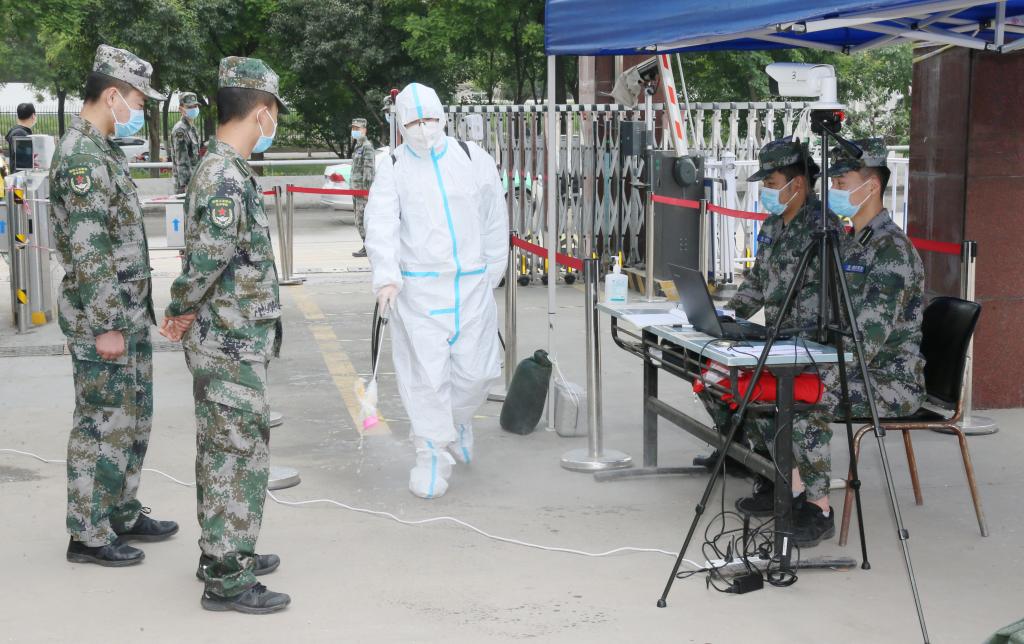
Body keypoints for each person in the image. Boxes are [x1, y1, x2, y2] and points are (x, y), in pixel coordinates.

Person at [162, 56, 290, 614]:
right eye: (274, 113)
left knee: (224, 447)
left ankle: (223, 551)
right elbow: (207, 259)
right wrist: (179, 309)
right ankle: (228, 576)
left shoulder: (224, 168)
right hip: (227, 342)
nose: (274, 123)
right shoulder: (223, 175)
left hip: (232, 337)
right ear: (260, 112)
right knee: (235, 452)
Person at [49, 45, 178, 567]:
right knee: (101, 422)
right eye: (138, 102)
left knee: (132, 417)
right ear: (111, 96)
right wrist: (105, 325)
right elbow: (89, 249)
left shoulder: (102, 149)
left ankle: (120, 510)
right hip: (103, 318)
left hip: (128, 312)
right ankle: (88, 533)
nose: (140, 111)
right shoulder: (81, 156)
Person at [365, 82, 508, 499]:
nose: (423, 128)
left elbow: (494, 216)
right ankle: (430, 454)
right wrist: (386, 276)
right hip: (420, 292)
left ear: (442, 116)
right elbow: (381, 222)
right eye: (413, 121)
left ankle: (456, 421)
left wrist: (493, 270)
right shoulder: (393, 166)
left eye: (429, 118)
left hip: (471, 286)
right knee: (426, 378)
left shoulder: (472, 158)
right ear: (400, 125)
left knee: (477, 373)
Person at [784, 138, 926, 547]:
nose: (833, 190)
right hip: (854, 366)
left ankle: (818, 509)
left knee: (806, 397)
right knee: (777, 385)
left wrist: (811, 373)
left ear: (871, 186)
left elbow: (865, 342)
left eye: (842, 183)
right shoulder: (851, 241)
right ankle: (791, 492)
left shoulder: (891, 252)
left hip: (891, 379)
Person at [694, 139, 841, 517]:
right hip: (775, 341)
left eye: (772, 183)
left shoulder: (823, 229)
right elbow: (757, 283)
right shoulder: (775, 224)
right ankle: (750, 459)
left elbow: (832, 300)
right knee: (712, 375)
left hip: (810, 346)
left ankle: (786, 484)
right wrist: (723, 322)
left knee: (761, 392)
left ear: (797, 184)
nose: (766, 192)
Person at [350, 116, 375, 257]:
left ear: (364, 130)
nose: (354, 131)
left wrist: (366, 190)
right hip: (356, 190)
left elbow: (368, 171)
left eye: (357, 128)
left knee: (362, 220)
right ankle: (366, 245)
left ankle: (368, 246)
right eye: (353, 128)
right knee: (358, 219)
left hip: (362, 191)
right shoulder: (358, 146)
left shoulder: (367, 147)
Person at [170, 91, 202, 194]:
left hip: (194, 182)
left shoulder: (192, 128)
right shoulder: (180, 130)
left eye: (195, 106)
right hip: (185, 185)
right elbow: (182, 161)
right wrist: (187, 185)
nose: (194, 109)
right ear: (181, 109)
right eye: (189, 107)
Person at [6, 102, 36, 169]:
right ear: (33, 116)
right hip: (22, 174)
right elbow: (23, 163)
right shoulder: (20, 133)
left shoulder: (17, 132)